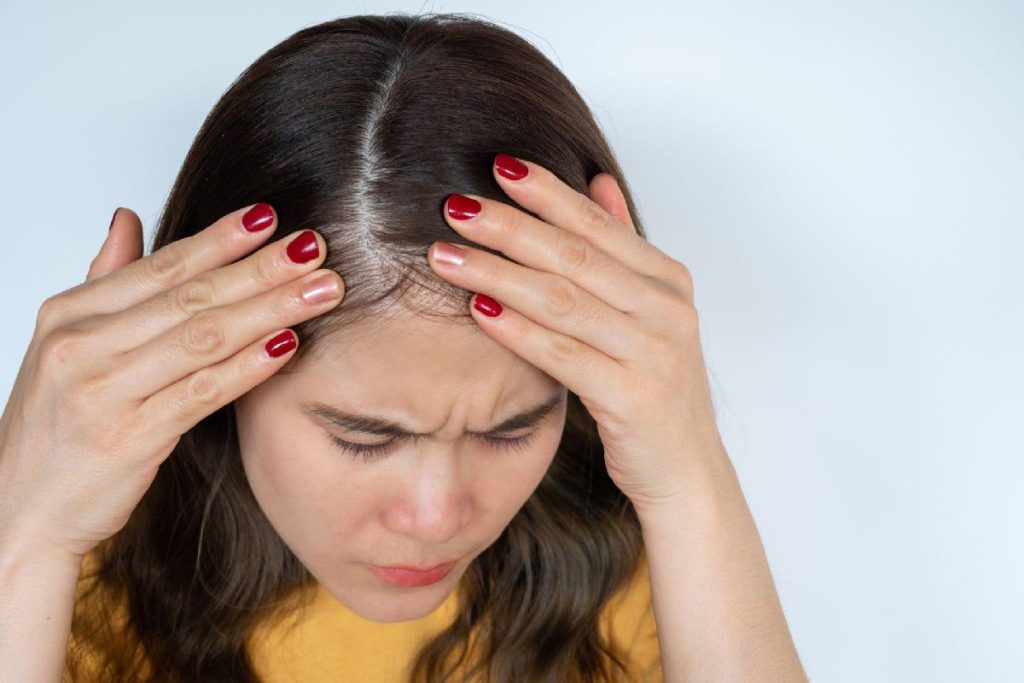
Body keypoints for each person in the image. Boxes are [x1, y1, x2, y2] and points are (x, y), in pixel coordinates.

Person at [0, 12, 807, 683]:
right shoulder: (70, 582)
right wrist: (25, 528)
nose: (437, 518)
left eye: (511, 428)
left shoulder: (633, 565)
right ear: (217, 374)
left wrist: (692, 480)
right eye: (364, 436)